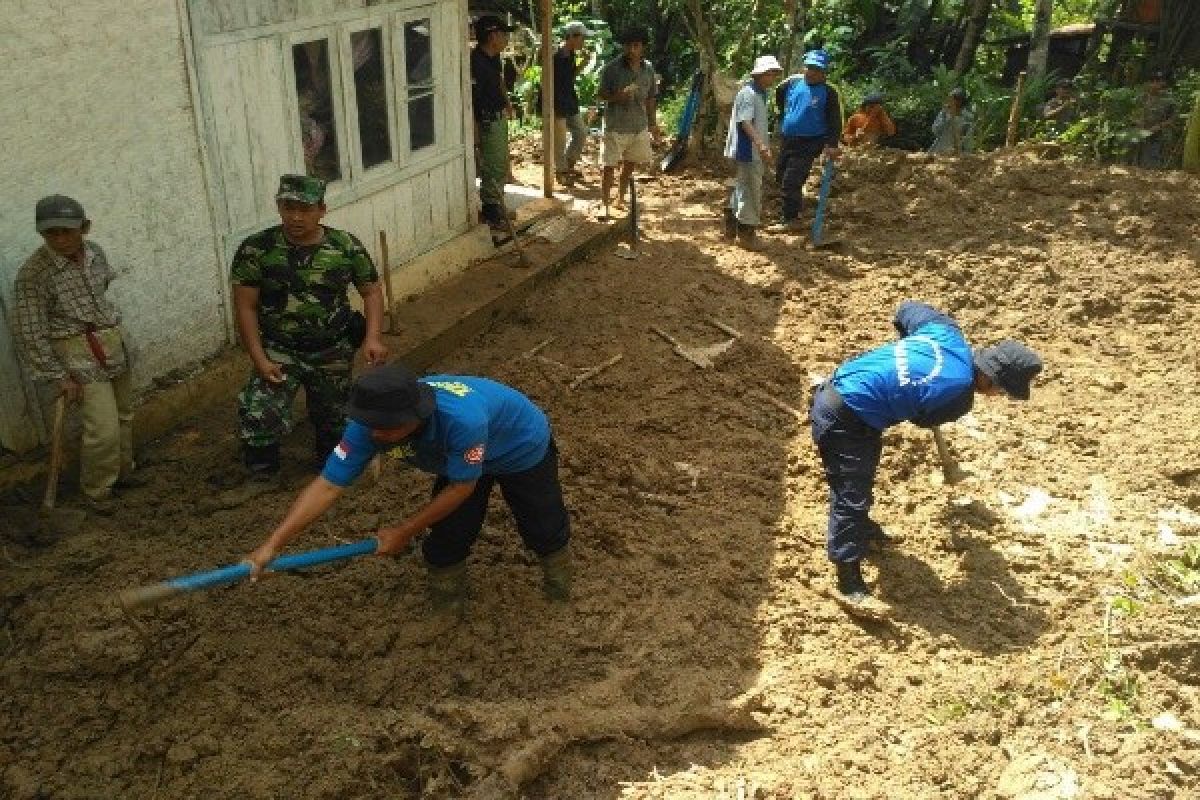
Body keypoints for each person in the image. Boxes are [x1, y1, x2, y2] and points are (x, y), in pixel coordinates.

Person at [245, 364, 572, 619]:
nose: (377, 435)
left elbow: (462, 486)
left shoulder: (462, 420)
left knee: (543, 524)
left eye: (387, 428)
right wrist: (273, 545)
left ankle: (559, 587)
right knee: (448, 536)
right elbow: (328, 485)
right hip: (457, 462)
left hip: (518, 446)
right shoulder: (370, 426)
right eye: (372, 426)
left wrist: (404, 530)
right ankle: (447, 607)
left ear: (417, 416)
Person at [810, 301, 1043, 616]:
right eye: (1002, 391)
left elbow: (904, 311)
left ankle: (861, 528)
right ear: (990, 379)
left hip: (846, 386)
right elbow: (922, 419)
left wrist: (910, 356)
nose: (998, 396)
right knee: (850, 496)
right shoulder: (960, 395)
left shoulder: (947, 332)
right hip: (845, 419)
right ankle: (848, 582)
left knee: (860, 480)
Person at [227, 175, 388, 483]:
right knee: (259, 412)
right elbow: (245, 307)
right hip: (279, 348)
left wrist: (372, 337)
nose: (296, 217)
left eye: (305, 208)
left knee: (334, 420)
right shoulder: (256, 249)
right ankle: (261, 477)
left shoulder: (345, 246)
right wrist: (259, 359)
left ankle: (330, 472)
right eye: (288, 208)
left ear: (322, 210)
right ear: (279, 207)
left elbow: (370, 291)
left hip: (333, 347)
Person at [12, 195, 144, 515]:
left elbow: (102, 290)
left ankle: (123, 474)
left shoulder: (95, 253)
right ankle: (98, 491)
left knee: (125, 413)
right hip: (76, 352)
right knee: (103, 428)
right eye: (51, 233)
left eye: (67, 232)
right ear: (41, 234)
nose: (59, 240)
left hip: (111, 341)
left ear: (84, 228)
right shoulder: (34, 275)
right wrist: (58, 375)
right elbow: (30, 332)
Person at [769, 49, 842, 232]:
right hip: (788, 138)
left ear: (824, 72)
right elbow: (778, 96)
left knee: (791, 180)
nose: (811, 72)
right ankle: (793, 206)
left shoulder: (829, 92)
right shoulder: (792, 83)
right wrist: (782, 116)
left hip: (810, 142)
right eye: (809, 67)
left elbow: (835, 119)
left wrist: (832, 144)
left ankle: (790, 219)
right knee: (781, 175)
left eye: (816, 69)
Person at [722, 55, 784, 251]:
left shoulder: (758, 93)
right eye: (769, 73)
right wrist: (760, 145)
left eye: (774, 74)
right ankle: (746, 234)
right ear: (760, 74)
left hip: (750, 149)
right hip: (748, 150)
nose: (772, 77)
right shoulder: (749, 94)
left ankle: (731, 227)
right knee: (751, 190)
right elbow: (745, 122)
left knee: (743, 186)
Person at [598, 28, 660, 218]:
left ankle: (621, 197)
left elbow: (651, 98)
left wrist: (653, 123)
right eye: (628, 46)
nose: (632, 50)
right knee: (609, 166)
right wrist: (618, 96)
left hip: (638, 125)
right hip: (615, 125)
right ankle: (604, 203)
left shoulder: (648, 69)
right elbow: (601, 95)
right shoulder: (611, 69)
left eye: (636, 46)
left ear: (642, 48)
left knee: (630, 164)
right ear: (624, 47)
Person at [470, 15, 517, 227]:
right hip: (487, 120)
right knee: (492, 166)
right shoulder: (475, 62)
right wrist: (476, 129)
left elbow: (499, 82)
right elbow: (471, 100)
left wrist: (508, 105)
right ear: (492, 36)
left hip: (498, 116)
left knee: (500, 164)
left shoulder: (493, 57)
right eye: (503, 34)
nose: (506, 38)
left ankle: (497, 205)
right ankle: (491, 211)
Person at [553, 21, 592, 185]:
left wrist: (583, 64)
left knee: (581, 132)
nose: (583, 42)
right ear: (572, 37)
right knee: (559, 140)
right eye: (582, 38)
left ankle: (567, 165)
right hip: (556, 101)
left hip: (569, 99)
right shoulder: (556, 54)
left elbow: (569, 77)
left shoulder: (571, 54)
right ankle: (561, 172)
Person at [1134, 71, 1177, 169]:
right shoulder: (1141, 98)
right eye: (1152, 81)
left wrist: (1159, 126)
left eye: (1158, 81)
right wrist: (1138, 123)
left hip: (1161, 135)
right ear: (1147, 83)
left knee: (1156, 163)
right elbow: (1134, 115)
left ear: (1163, 83)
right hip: (1143, 134)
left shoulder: (1169, 100)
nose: (1155, 84)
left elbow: (1173, 119)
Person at [929, 88, 973, 154]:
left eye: (953, 99)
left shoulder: (968, 117)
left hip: (958, 153)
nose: (950, 101)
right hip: (939, 151)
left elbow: (968, 139)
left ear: (960, 101)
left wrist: (965, 153)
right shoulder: (944, 113)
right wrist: (947, 118)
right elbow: (935, 131)